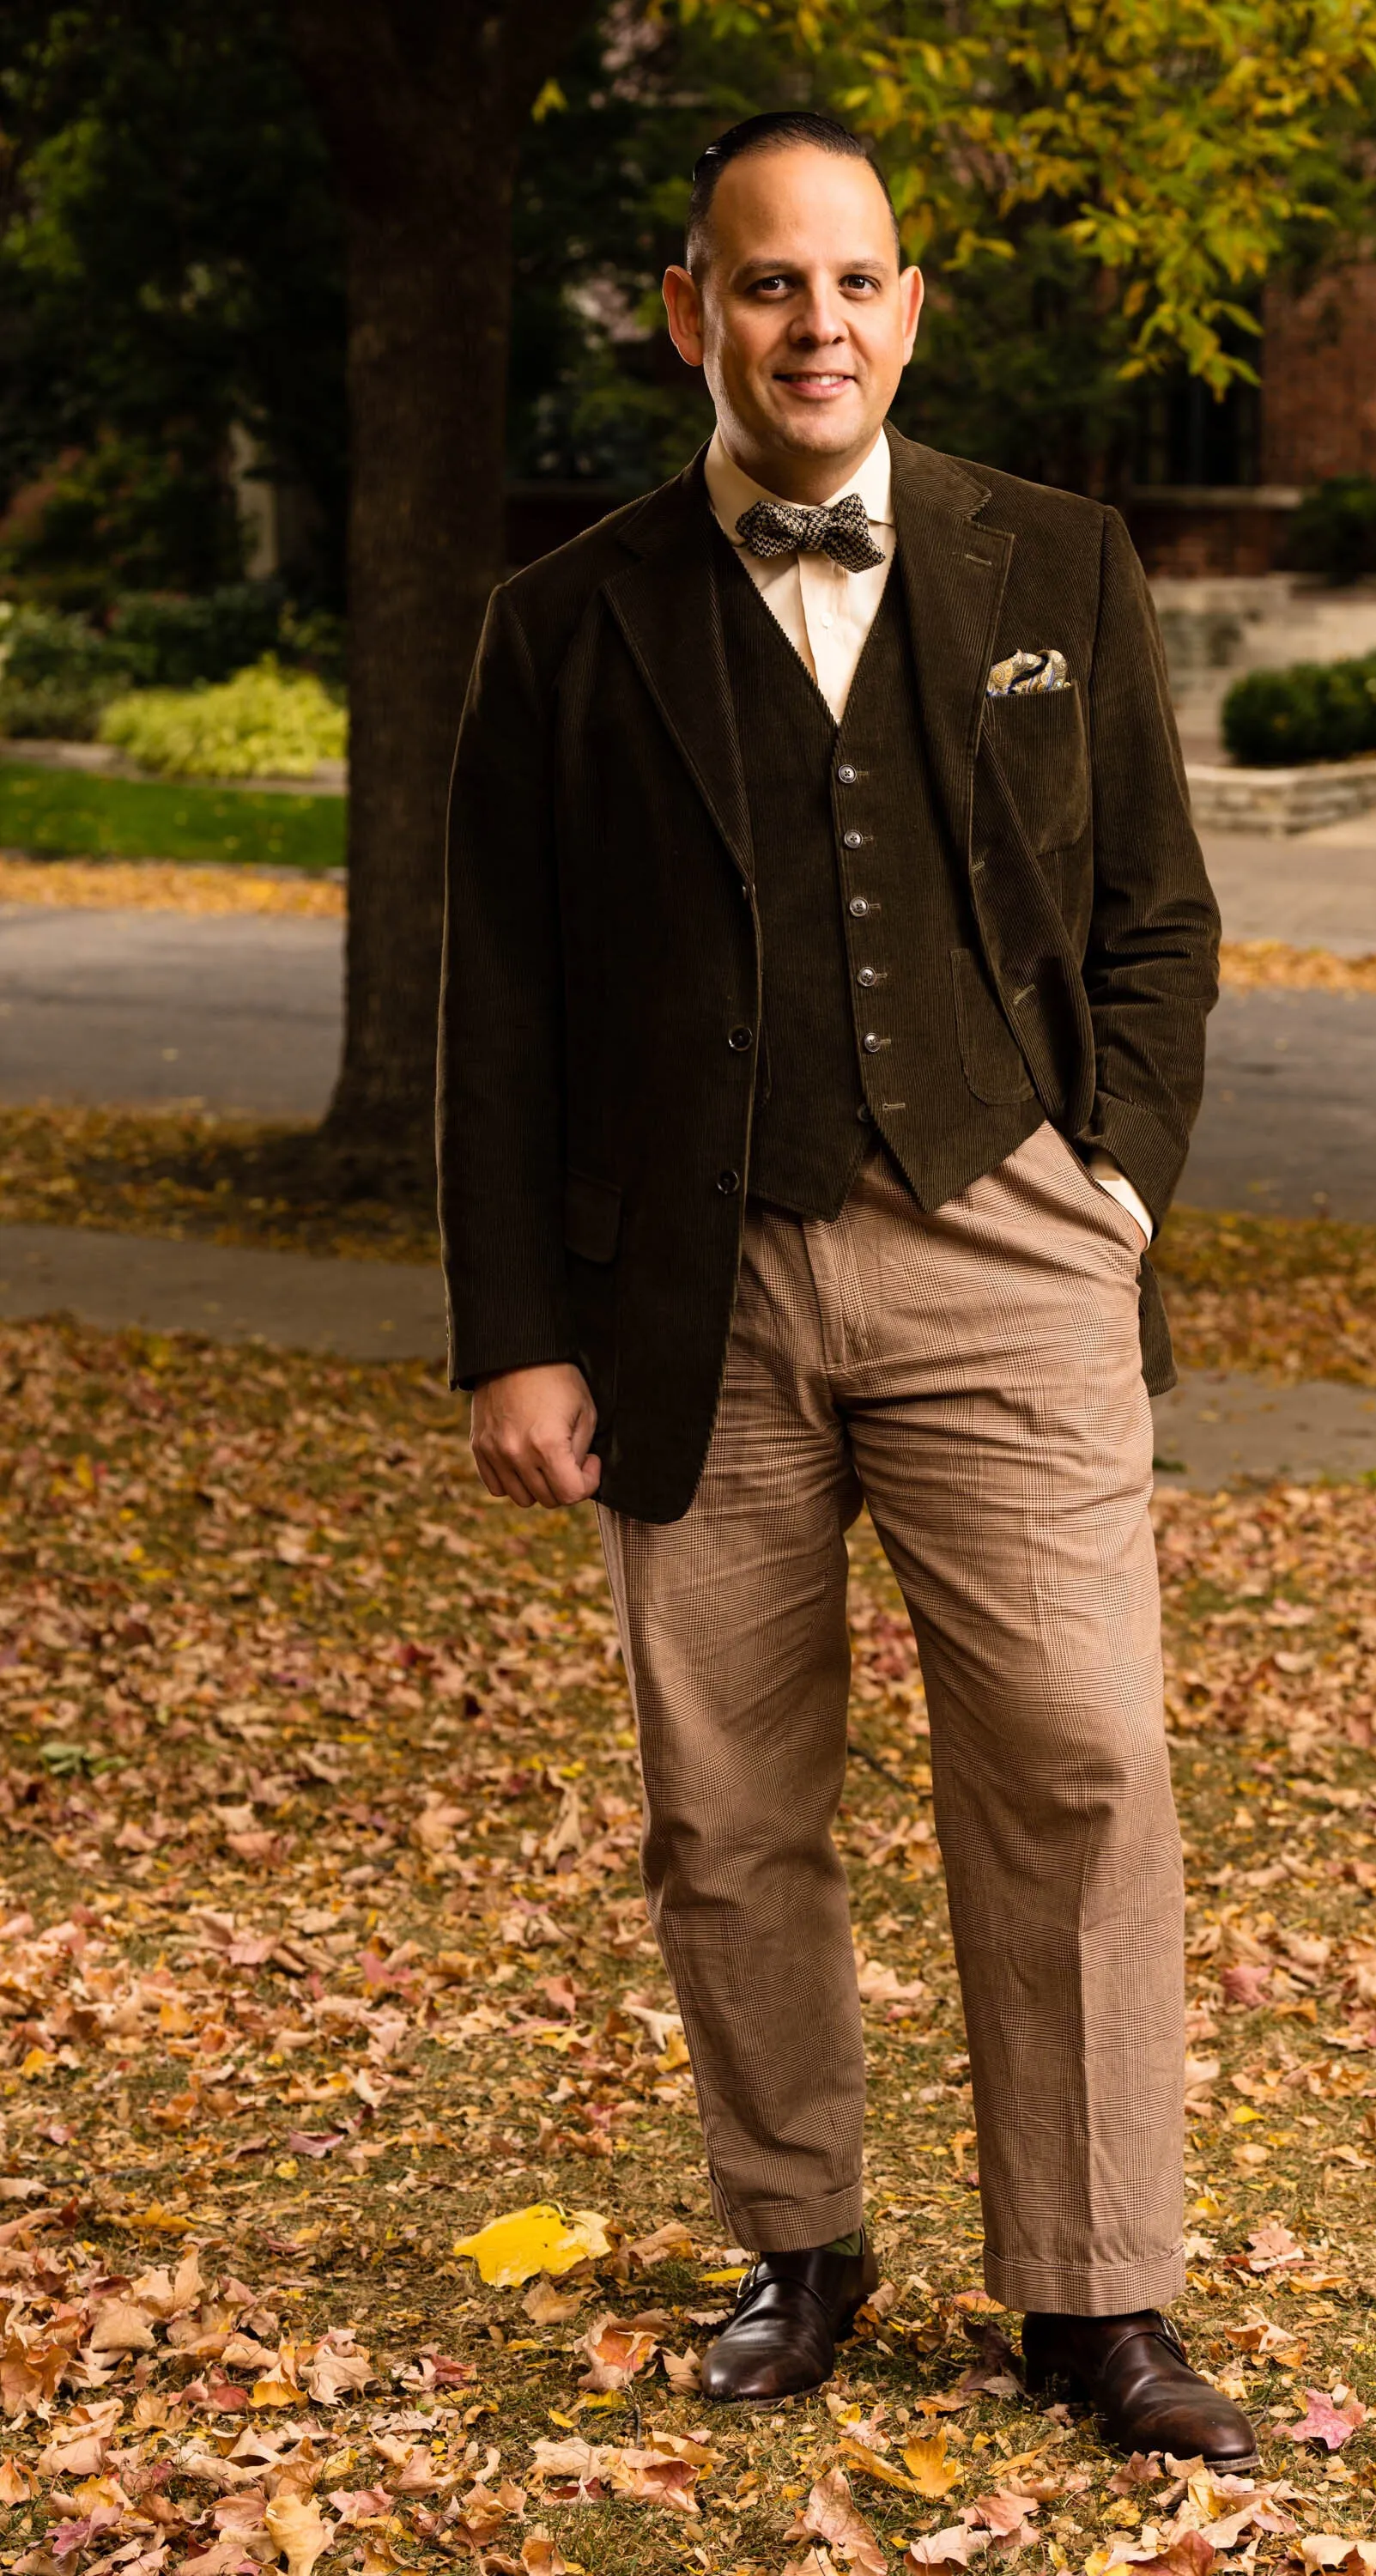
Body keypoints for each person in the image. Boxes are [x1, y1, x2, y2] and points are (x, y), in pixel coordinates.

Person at [438, 108, 1254, 2464]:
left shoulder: (1059, 564)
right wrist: (513, 1323)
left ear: (911, 308)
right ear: (693, 312)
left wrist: (1116, 1183)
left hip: (1009, 1251)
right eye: (768, 284)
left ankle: (1096, 2294)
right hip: (689, 1287)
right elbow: (504, 1004)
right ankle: (802, 2240)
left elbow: (1159, 925)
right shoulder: (563, 619)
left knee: (1082, 1759)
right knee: (725, 1800)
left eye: (858, 282)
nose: (818, 325)